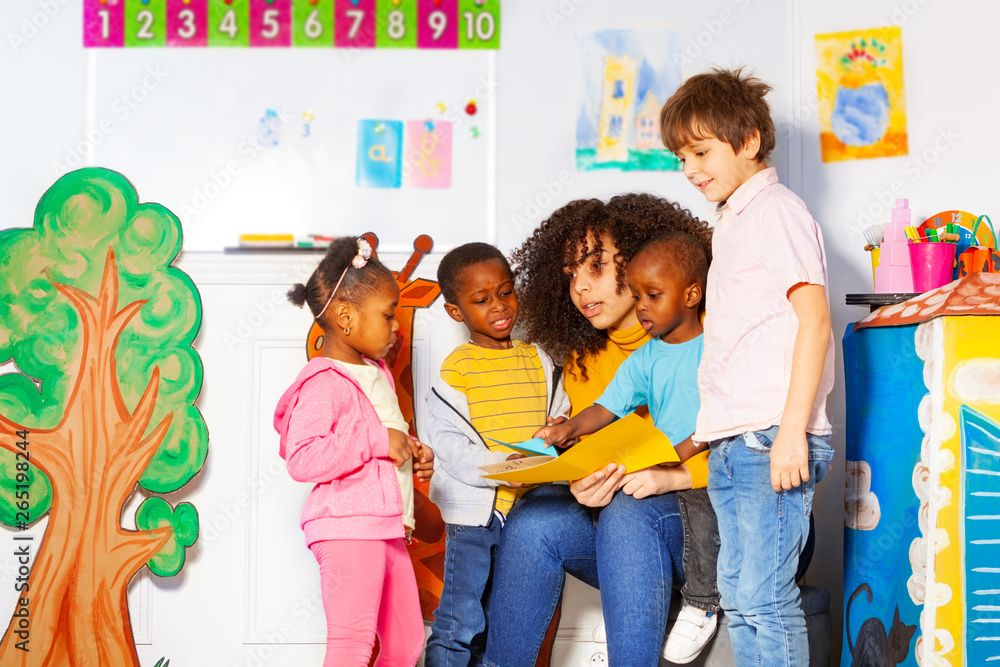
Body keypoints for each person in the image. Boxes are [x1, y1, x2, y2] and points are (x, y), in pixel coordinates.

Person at [482, 194, 716, 667]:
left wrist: (672, 476)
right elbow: (598, 448)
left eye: (595, 267)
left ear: (639, 264)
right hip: (629, 536)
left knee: (631, 509)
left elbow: (752, 434)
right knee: (534, 521)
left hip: (711, 524)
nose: (581, 289)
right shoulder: (585, 363)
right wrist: (578, 478)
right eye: (571, 276)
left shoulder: (713, 332)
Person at [660, 67, 835, 666]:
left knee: (764, 598)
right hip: (737, 439)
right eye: (682, 157)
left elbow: (814, 321)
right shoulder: (732, 220)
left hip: (771, 437)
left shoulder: (776, 212)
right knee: (738, 596)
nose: (690, 169)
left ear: (750, 142)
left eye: (701, 151)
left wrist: (792, 432)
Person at [273, 237, 434, 667]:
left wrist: (410, 449)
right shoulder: (323, 381)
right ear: (345, 317)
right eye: (388, 316)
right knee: (352, 646)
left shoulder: (375, 372)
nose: (397, 326)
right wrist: (380, 441)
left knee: (406, 646)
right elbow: (302, 457)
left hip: (389, 529)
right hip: (348, 527)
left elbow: (383, 436)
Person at [423, 242, 571, 667]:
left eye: (505, 292)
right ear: (456, 312)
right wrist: (499, 468)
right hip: (474, 519)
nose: (499, 306)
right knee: (460, 622)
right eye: (481, 300)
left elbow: (560, 413)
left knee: (502, 623)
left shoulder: (537, 359)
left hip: (529, 517)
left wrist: (560, 430)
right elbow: (450, 445)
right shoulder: (458, 369)